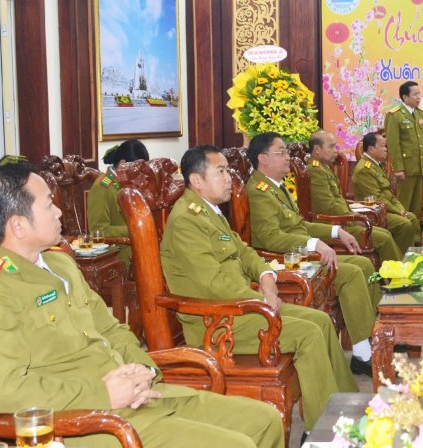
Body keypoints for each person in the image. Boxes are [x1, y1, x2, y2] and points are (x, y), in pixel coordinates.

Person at [0, 162, 284, 448]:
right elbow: (4, 393)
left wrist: (143, 369)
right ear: (18, 224)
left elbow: (113, 328)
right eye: (49, 204)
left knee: (264, 421)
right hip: (84, 427)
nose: (60, 211)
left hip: (136, 398)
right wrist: (103, 393)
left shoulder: (60, 262)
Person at [160, 145, 359, 429]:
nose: (229, 178)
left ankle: (346, 407)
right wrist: (261, 301)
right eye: (220, 172)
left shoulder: (208, 211)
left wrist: (267, 279)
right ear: (196, 181)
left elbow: (245, 252)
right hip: (217, 322)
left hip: (243, 305)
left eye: (227, 170)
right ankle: (326, 432)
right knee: (308, 333)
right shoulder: (186, 221)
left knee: (322, 320)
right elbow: (214, 285)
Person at [245, 131, 380, 375]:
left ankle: (371, 337)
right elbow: (271, 238)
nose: (288, 157)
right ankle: (362, 353)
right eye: (281, 153)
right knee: (349, 272)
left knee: (364, 265)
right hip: (283, 259)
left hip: (299, 251)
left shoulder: (275, 187)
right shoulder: (258, 190)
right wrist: (314, 244)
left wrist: (337, 232)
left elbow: (299, 225)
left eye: (287, 152)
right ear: (262, 158)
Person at [306, 130, 403, 262]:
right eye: (331, 147)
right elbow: (328, 206)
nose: (336, 150)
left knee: (385, 233)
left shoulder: (324, 167)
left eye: (336, 146)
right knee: (384, 238)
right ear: (317, 150)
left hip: (342, 219)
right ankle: (397, 276)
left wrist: (353, 215)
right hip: (332, 224)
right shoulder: (316, 171)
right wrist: (353, 218)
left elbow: (338, 200)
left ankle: (394, 272)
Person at [351, 131, 422, 252]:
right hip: (374, 212)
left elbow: (390, 195)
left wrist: (401, 210)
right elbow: (377, 199)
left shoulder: (376, 165)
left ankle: (412, 252)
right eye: (382, 146)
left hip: (385, 208)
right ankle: (399, 258)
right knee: (404, 223)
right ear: (371, 149)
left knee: (412, 217)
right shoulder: (364, 169)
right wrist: (398, 212)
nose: (386, 150)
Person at [87, 139, 149, 268]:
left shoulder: (130, 182)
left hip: (140, 243)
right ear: (122, 164)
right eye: (137, 169)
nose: (140, 174)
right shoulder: (103, 186)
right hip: (121, 251)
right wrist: (134, 229)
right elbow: (98, 230)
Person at [383, 80, 423, 219]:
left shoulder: (421, 114)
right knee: (404, 204)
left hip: (420, 166)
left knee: (416, 204)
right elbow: (393, 144)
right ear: (405, 97)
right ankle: (404, 236)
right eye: (415, 94)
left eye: (419, 94)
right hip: (405, 167)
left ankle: (415, 236)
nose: (418, 97)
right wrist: (398, 168)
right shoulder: (395, 115)